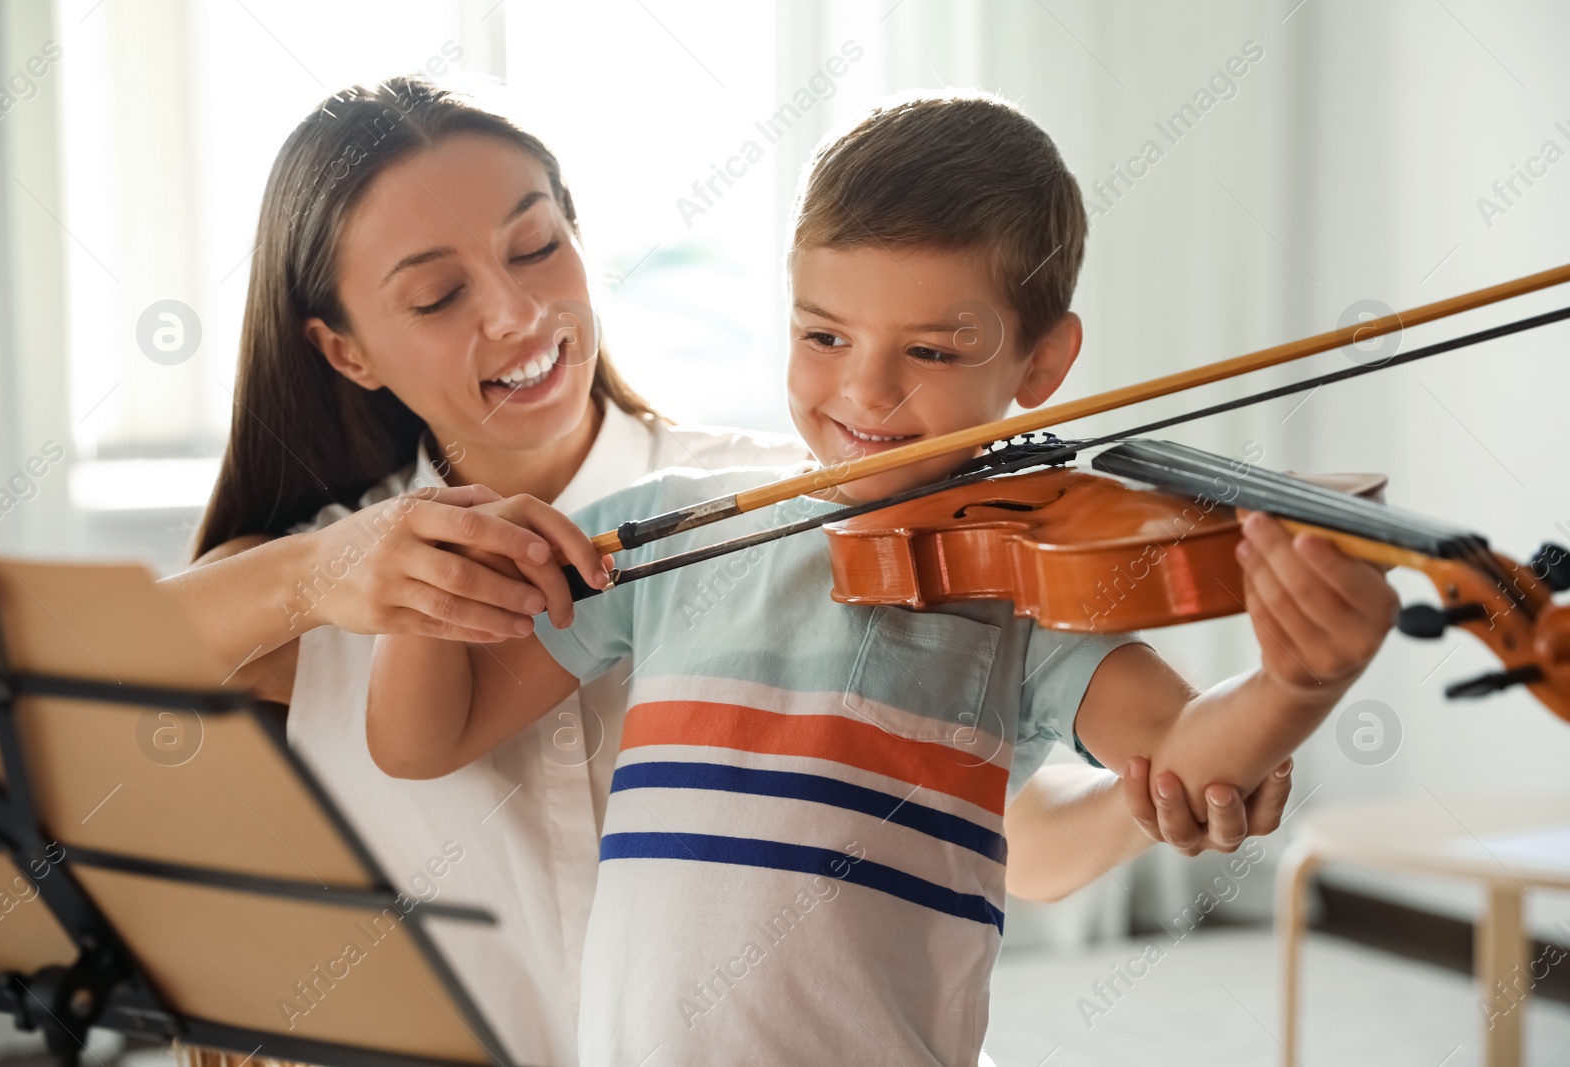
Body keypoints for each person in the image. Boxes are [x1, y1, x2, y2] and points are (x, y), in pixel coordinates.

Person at [162, 75, 1287, 1066]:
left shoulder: (807, 500)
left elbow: (1004, 828)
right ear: (344, 346)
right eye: (435, 295)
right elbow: (20, 672)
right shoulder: (324, 573)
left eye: (536, 244)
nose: (517, 312)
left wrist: (1181, 781)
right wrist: (325, 570)